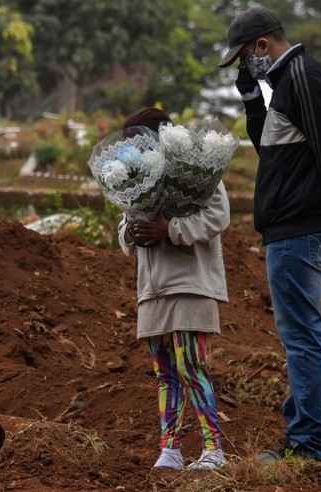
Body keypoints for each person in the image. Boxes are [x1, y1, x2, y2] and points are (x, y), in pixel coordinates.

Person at [219, 7, 321, 463]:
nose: (245, 65)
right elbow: (273, 150)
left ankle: (308, 446)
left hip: (300, 231)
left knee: (302, 338)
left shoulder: (301, 76)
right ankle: (301, 435)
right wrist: (251, 101)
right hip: (290, 230)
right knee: (298, 337)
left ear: (263, 45)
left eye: (245, 57)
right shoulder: (284, 83)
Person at [118, 108, 231, 471]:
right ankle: (170, 448)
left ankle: (213, 449)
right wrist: (131, 234)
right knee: (165, 371)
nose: (134, 148)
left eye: (141, 139)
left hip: (190, 283)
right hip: (152, 288)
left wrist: (170, 230)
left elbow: (218, 216)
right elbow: (124, 228)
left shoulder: (197, 171)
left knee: (191, 366)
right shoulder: (135, 178)